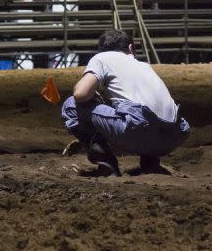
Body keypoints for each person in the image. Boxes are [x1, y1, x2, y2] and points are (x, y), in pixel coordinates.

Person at [61, 29, 190, 176]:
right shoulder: (144, 66)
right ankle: (150, 164)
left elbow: (80, 94)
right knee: (146, 110)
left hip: (139, 133)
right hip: (173, 136)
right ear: (130, 48)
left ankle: (106, 164)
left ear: (102, 50)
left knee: (71, 105)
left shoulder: (101, 58)